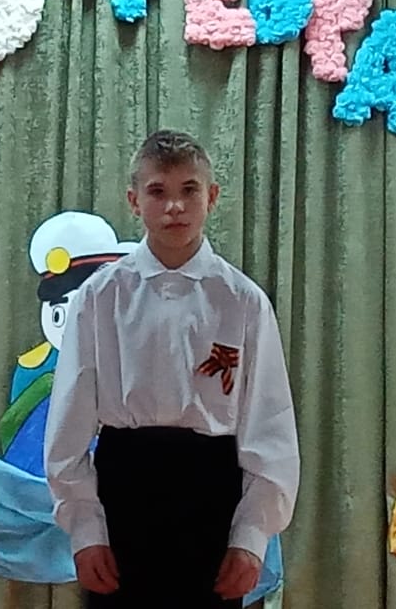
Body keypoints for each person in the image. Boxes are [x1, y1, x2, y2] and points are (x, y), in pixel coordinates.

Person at [44, 130, 300, 608]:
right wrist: (85, 529)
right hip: (123, 492)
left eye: (189, 190)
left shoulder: (242, 301)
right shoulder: (100, 296)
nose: (175, 207)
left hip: (212, 495)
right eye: (158, 191)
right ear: (134, 201)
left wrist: (250, 536)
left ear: (212, 197)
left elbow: (270, 427)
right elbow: (70, 422)